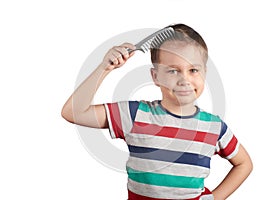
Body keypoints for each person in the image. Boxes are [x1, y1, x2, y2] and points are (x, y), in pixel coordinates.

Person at [61, 23, 253, 200]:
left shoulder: (214, 126)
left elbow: (244, 164)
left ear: (204, 73)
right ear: (155, 76)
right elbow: (72, 112)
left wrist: (215, 198)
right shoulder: (134, 114)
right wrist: (105, 68)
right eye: (172, 71)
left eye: (193, 70)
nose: (184, 79)